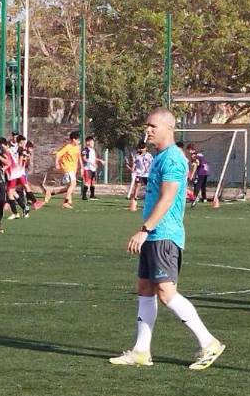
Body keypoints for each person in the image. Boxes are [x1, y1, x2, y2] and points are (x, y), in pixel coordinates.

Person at [110, 108, 225, 371]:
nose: (148, 131)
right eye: (147, 126)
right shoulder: (159, 157)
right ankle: (141, 351)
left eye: (153, 126)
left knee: (166, 292)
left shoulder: (173, 158)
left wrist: (145, 229)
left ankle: (209, 343)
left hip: (164, 234)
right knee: (145, 288)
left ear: (169, 128)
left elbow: (168, 197)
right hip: (154, 235)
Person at [44, 131, 82, 209]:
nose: (79, 141)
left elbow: (79, 157)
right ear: (73, 139)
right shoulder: (68, 147)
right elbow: (58, 154)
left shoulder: (77, 147)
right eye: (78, 139)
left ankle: (51, 192)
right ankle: (66, 202)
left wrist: (82, 168)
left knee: (69, 187)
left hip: (73, 170)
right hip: (67, 168)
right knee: (73, 183)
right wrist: (57, 164)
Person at [127, 141, 153, 213]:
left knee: (149, 187)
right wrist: (133, 169)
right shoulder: (137, 156)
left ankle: (150, 200)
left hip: (147, 174)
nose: (141, 149)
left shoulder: (149, 156)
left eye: (143, 148)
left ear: (146, 148)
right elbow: (135, 163)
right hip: (139, 173)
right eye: (140, 148)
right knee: (137, 185)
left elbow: (152, 163)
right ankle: (134, 200)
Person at [81, 135, 104, 201]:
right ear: (87, 142)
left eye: (93, 142)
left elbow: (93, 158)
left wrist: (100, 160)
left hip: (93, 168)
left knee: (93, 182)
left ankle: (92, 195)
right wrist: (92, 163)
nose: (93, 143)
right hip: (87, 168)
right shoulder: (85, 150)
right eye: (91, 142)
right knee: (87, 182)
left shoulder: (93, 150)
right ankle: (84, 195)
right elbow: (84, 158)